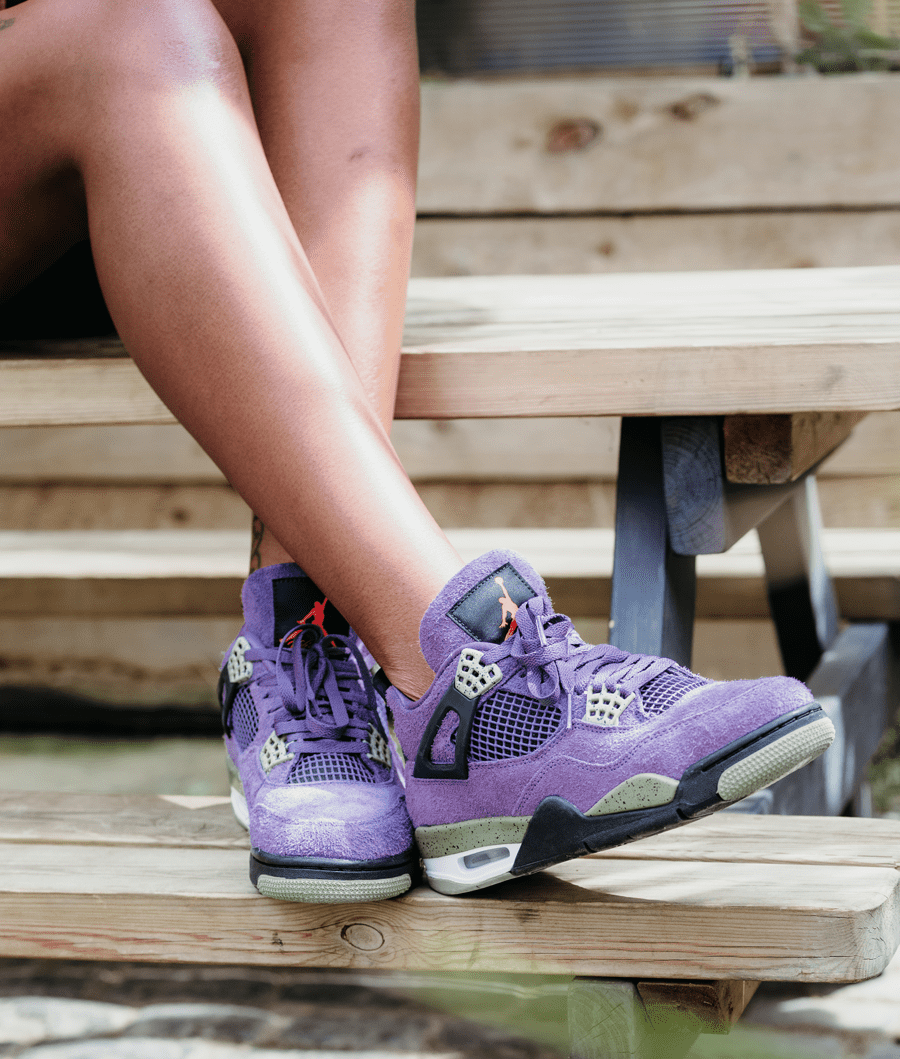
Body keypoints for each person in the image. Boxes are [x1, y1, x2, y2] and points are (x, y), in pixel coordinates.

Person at [0, 0, 832, 901]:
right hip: (87, 88)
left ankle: (304, 644)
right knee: (132, 29)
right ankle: (476, 691)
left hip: (122, 170)